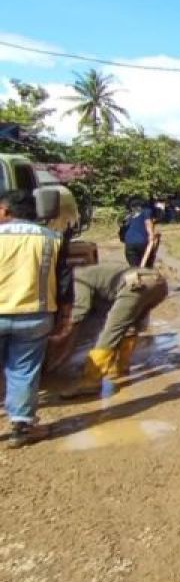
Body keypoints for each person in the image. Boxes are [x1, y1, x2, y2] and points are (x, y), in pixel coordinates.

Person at [0, 190, 72, 447]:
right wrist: (65, 316)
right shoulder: (52, 238)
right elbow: (64, 282)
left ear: (6, 211)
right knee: (24, 372)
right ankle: (22, 428)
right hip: (35, 317)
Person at [58, 263, 169, 398]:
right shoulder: (88, 272)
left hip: (136, 284)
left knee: (110, 331)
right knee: (129, 326)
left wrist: (64, 336)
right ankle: (122, 367)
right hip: (158, 284)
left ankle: (91, 381)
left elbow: (81, 309)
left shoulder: (76, 278)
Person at [121, 199, 158, 268]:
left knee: (134, 267)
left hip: (129, 243)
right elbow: (147, 223)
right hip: (142, 242)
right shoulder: (145, 211)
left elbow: (123, 227)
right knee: (147, 266)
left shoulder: (128, 215)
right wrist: (151, 234)